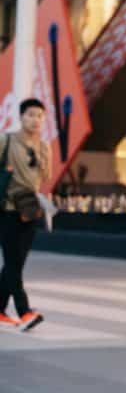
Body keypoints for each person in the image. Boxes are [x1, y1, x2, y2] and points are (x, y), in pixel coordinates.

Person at [0, 98, 52, 332]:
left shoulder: (44, 147)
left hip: (30, 210)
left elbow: (45, 177)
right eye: (30, 115)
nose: (35, 120)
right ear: (21, 117)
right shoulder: (7, 140)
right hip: (7, 210)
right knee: (13, 263)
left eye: (39, 116)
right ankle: (25, 312)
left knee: (16, 263)